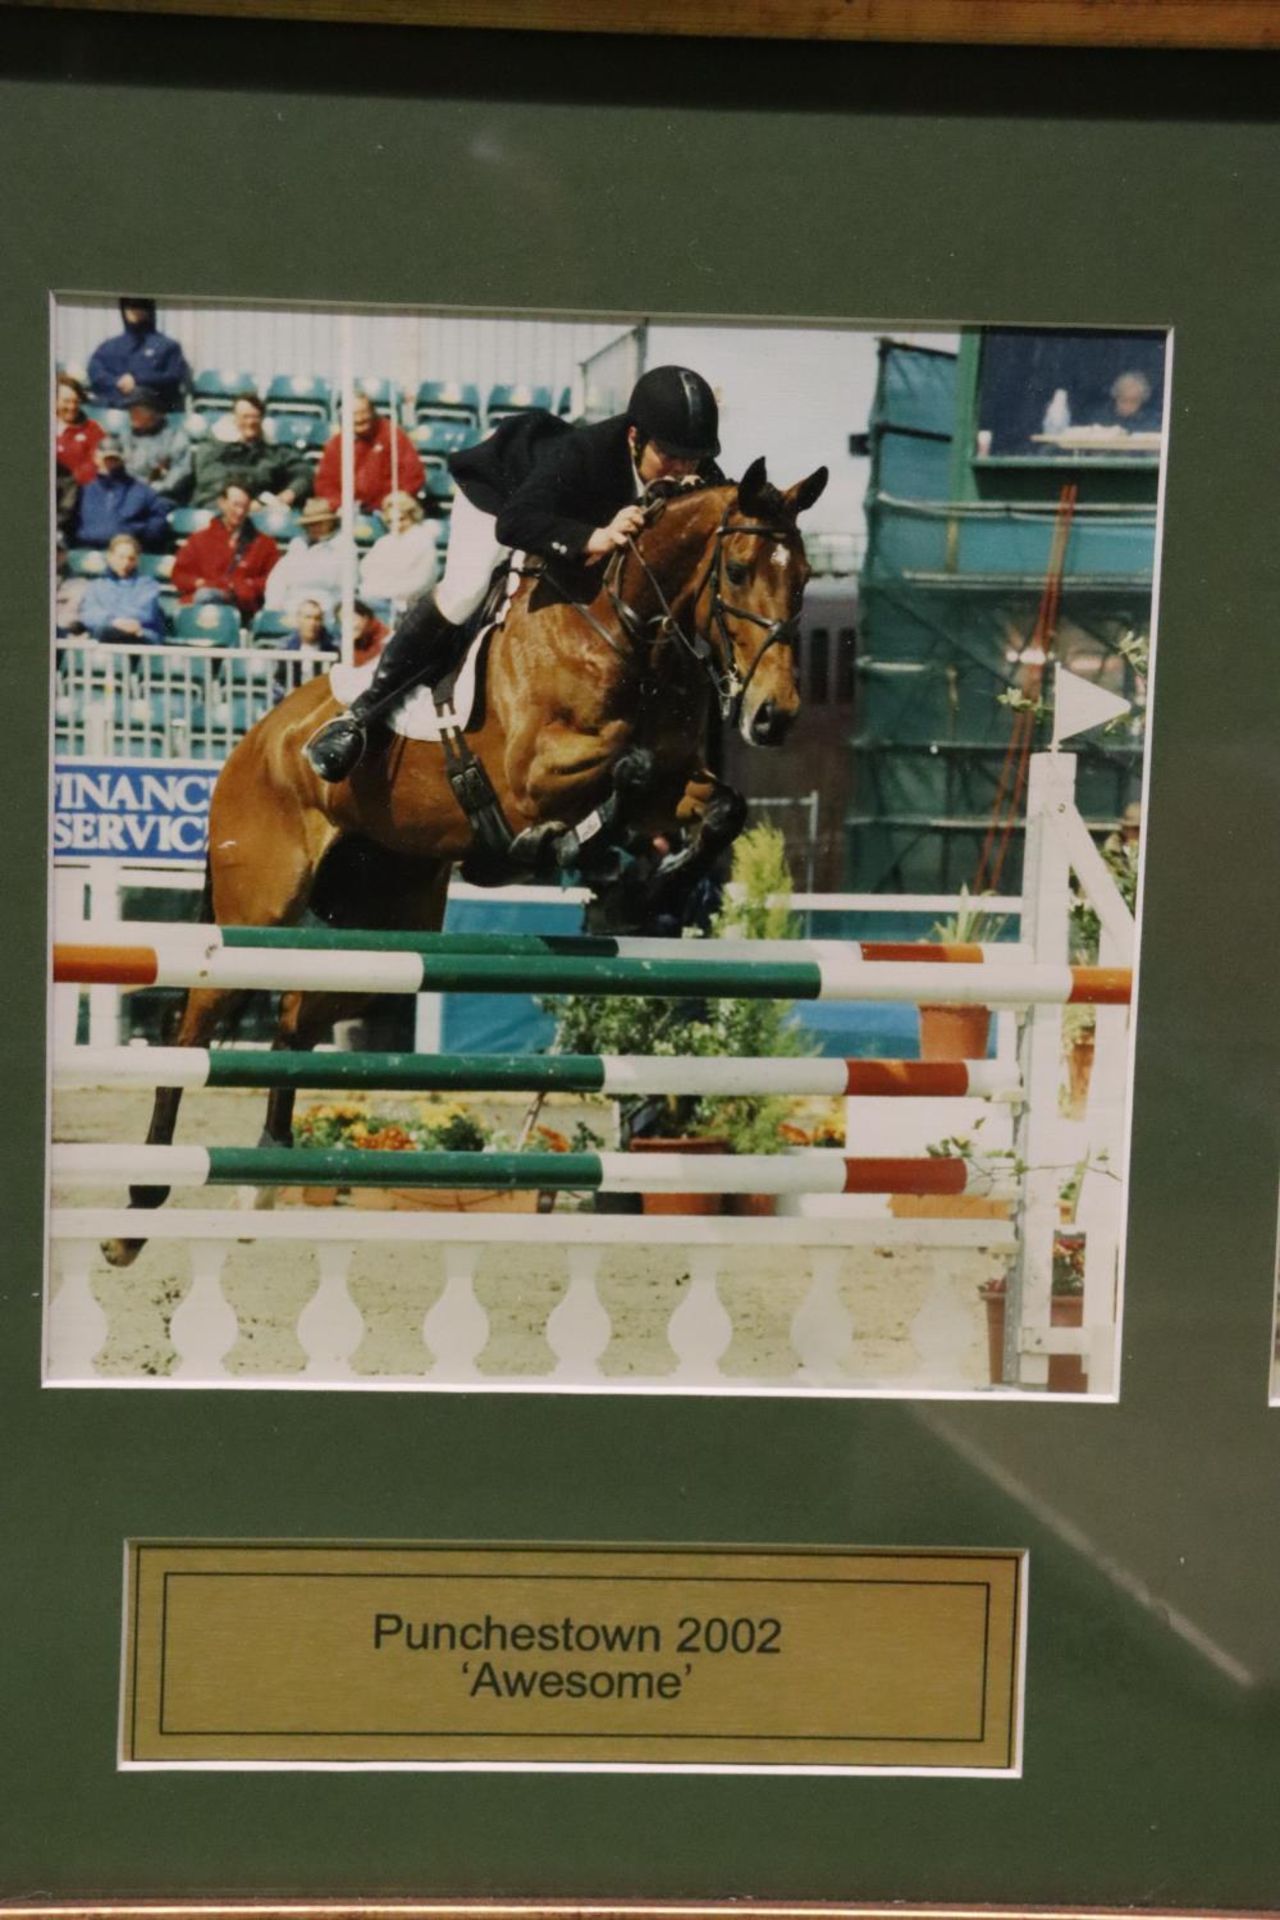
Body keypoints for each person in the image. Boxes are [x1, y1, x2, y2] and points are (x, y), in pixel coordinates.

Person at [305, 364, 722, 781]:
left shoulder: (690, 468)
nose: (681, 471)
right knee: (466, 590)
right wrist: (593, 538)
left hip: (565, 514)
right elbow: (515, 524)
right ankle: (363, 714)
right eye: (669, 456)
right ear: (635, 438)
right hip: (503, 494)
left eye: (692, 459)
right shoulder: (586, 455)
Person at [172, 477, 280, 620]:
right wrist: (201, 583)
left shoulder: (265, 544)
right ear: (222, 503)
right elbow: (180, 575)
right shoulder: (199, 539)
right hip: (202, 607)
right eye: (235, 505)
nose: (240, 512)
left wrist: (243, 587)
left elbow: (273, 580)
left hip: (241, 609)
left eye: (245, 506)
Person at [191, 392, 313, 509]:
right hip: (218, 504)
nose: (250, 422)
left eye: (255, 417)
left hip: (261, 507)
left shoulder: (272, 448)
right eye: (245, 417)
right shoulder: (213, 444)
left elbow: (303, 471)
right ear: (234, 418)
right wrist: (245, 502)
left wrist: (289, 493)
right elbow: (209, 480)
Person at [313, 392, 424, 512]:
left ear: (372, 412)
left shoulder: (393, 436)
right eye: (354, 414)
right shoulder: (336, 444)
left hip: (389, 509)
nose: (360, 419)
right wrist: (339, 504)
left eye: (363, 413)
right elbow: (325, 483)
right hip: (345, 510)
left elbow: (413, 475)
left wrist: (392, 500)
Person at [87, 298, 190, 412]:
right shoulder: (109, 346)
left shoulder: (168, 346)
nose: (134, 309)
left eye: (140, 304)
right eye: (129, 305)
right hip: (110, 406)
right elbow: (95, 371)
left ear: (149, 308)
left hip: (150, 410)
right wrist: (117, 382)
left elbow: (173, 377)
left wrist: (137, 381)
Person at [71, 436, 172, 551]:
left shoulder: (142, 491)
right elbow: (70, 523)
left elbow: (158, 520)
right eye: (106, 459)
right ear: (96, 458)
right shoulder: (84, 492)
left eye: (114, 459)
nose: (109, 464)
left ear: (123, 459)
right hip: (88, 552)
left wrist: (137, 536)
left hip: (127, 555)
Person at [263, 495, 349, 620]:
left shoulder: (343, 547)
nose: (315, 527)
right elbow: (276, 582)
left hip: (325, 613)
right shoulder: (297, 546)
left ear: (330, 522)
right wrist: (274, 609)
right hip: (291, 611)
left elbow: (345, 591)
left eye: (320, 523)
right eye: (311, 524)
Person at [78, 533, 167, 644]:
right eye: (121, 557)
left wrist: (113, 620)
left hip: (140, 637)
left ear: (137, 560)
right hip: (104, 636)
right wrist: (113, 621)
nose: (126, 563)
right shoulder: (96, 586)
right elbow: (88, 615)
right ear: (110, 557)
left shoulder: (148, 585)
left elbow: (144, 614)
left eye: (131, 559)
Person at [358, 490, 439, 608]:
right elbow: (366, 569)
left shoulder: (424, 541)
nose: (397, 525)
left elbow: (422, 581)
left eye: (402, 519)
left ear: (412, 515)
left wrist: (388, 590)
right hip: (379, 598)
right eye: (391, 521)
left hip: (410, 604)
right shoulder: (384, 542)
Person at [119, 386, 193, 501]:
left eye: (137, 411)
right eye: (131, 411)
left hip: (160, 497)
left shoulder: (175, 438)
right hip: (128, 493)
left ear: (154, 413)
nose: (132, 415)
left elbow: (179, 472)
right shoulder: (126, 436)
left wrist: (152, 489)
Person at [55, 375, 103, 486]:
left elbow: (96, 463)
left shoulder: (92, 428)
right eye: (66, 401)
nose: (72, 407)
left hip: (77, 491)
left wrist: (71, 480)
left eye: (76, 402)